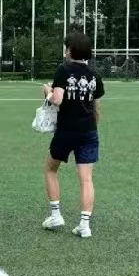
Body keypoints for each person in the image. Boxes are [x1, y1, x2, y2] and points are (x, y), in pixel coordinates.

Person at [40, 32, 105, 239]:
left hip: (67, 130)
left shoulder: (64, 70)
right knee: (86, 179)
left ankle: (55, 215)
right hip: (89, 131)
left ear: (70, 50)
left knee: (51, 169)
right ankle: (85, 225)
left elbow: (57, 100)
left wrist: (47, 91)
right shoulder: (94, 75)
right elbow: (97, 107)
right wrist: (93, 127)